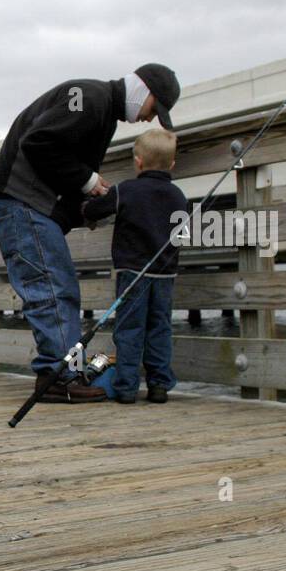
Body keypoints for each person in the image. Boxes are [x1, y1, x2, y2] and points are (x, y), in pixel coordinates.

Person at [0, 63, 180, 402]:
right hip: (22, 203)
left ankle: (64, 374)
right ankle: (58, 378)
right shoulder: (90, 98)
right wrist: (88, 180)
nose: (150, 118)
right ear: (144, 91)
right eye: (154, 109)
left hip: (32, 206)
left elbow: (56, 161)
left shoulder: (99, 107)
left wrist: (82, 209)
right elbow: (39, 143)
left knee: (60, 291)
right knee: (54, 290)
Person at [82, 126, 189, 403]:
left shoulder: (125, 190)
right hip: (165, 275)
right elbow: (182, 235)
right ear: (172, 164)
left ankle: (127, 387)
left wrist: (85, 207)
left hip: (133, 273)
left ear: (138, 161)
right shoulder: (179, 196)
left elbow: (94, 210)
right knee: (160, 328)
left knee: (130, 328)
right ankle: (159, 386)